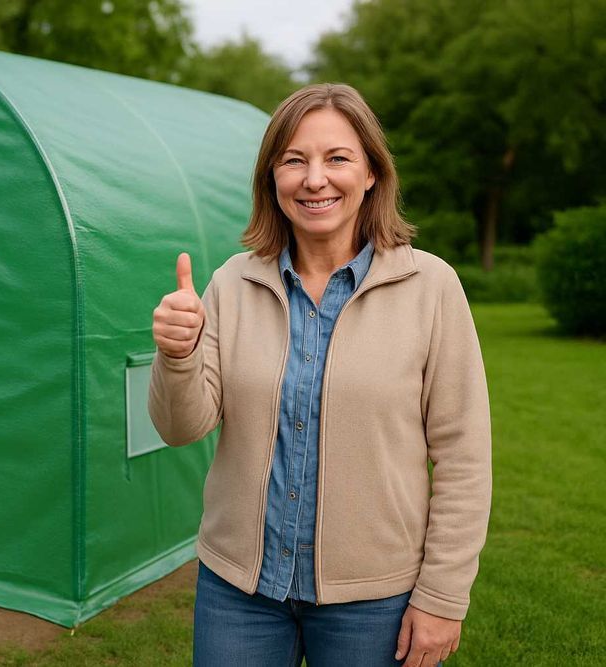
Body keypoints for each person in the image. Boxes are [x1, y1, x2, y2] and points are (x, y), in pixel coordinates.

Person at [148, 83, 492, 667]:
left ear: (372, 175)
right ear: (271, 178)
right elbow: (181, 428)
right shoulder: (232, 283)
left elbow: (464, 455)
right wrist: (177, 354)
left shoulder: (432, 288)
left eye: (337, 158)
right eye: (294, 160)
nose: (314, 179)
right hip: (239, 595)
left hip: (375, 601)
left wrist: (442, 596)